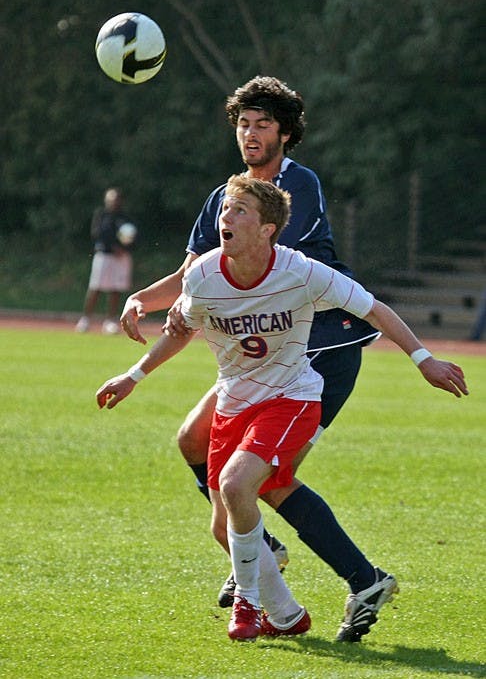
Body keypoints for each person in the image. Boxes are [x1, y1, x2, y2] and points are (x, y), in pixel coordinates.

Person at [96, 175, 468, 642]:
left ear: (267, 228)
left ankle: (248, 605)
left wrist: (423, 358)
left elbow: (374, 309)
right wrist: (133, 375)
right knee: (225, 520)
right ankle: (288, 614)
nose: (224, 218)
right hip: (234, 401)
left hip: (292, 396)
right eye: (224, 209)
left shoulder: (300, 270)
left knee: (236, 485)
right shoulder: (205, 275)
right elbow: (181, 328)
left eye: (238, 211)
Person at [117, 76, 404, 643]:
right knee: (195, 443)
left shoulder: (294, 189)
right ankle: (259, 548)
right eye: (243, 123)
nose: (250, 133)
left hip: (322, 347)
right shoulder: (227, 198)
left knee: (265, 480)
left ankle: (354, 578)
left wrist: (187, 312)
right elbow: (193, 275)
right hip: (264, 353)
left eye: (263, 124)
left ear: (286, 133)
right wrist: (144, 301)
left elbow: (260, 263)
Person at [76, 187, 137, 335]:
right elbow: (97, 233)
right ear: (106, 200)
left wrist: (124, 249)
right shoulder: (101, 215)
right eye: (111, 200)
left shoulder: (126, 218)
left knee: (116, 289)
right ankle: (85, 319)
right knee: (96, 287)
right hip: (104, 256)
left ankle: (110, 321)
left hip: (121, 258)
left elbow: (133, 236)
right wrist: (112, 246)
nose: (114, 203)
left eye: (116, 200)